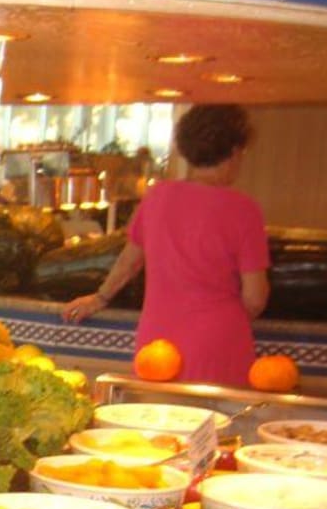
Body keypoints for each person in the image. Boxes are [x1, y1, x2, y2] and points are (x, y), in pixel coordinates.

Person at [62, 104, 269, 387]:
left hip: (158, 339)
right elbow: (255, 298)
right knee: (217, 415)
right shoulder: (244, 210)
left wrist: (99, 298)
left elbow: (129, 262)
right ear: (234, 151)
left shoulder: (157, 197)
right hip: (218, 343)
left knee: (156, 411)